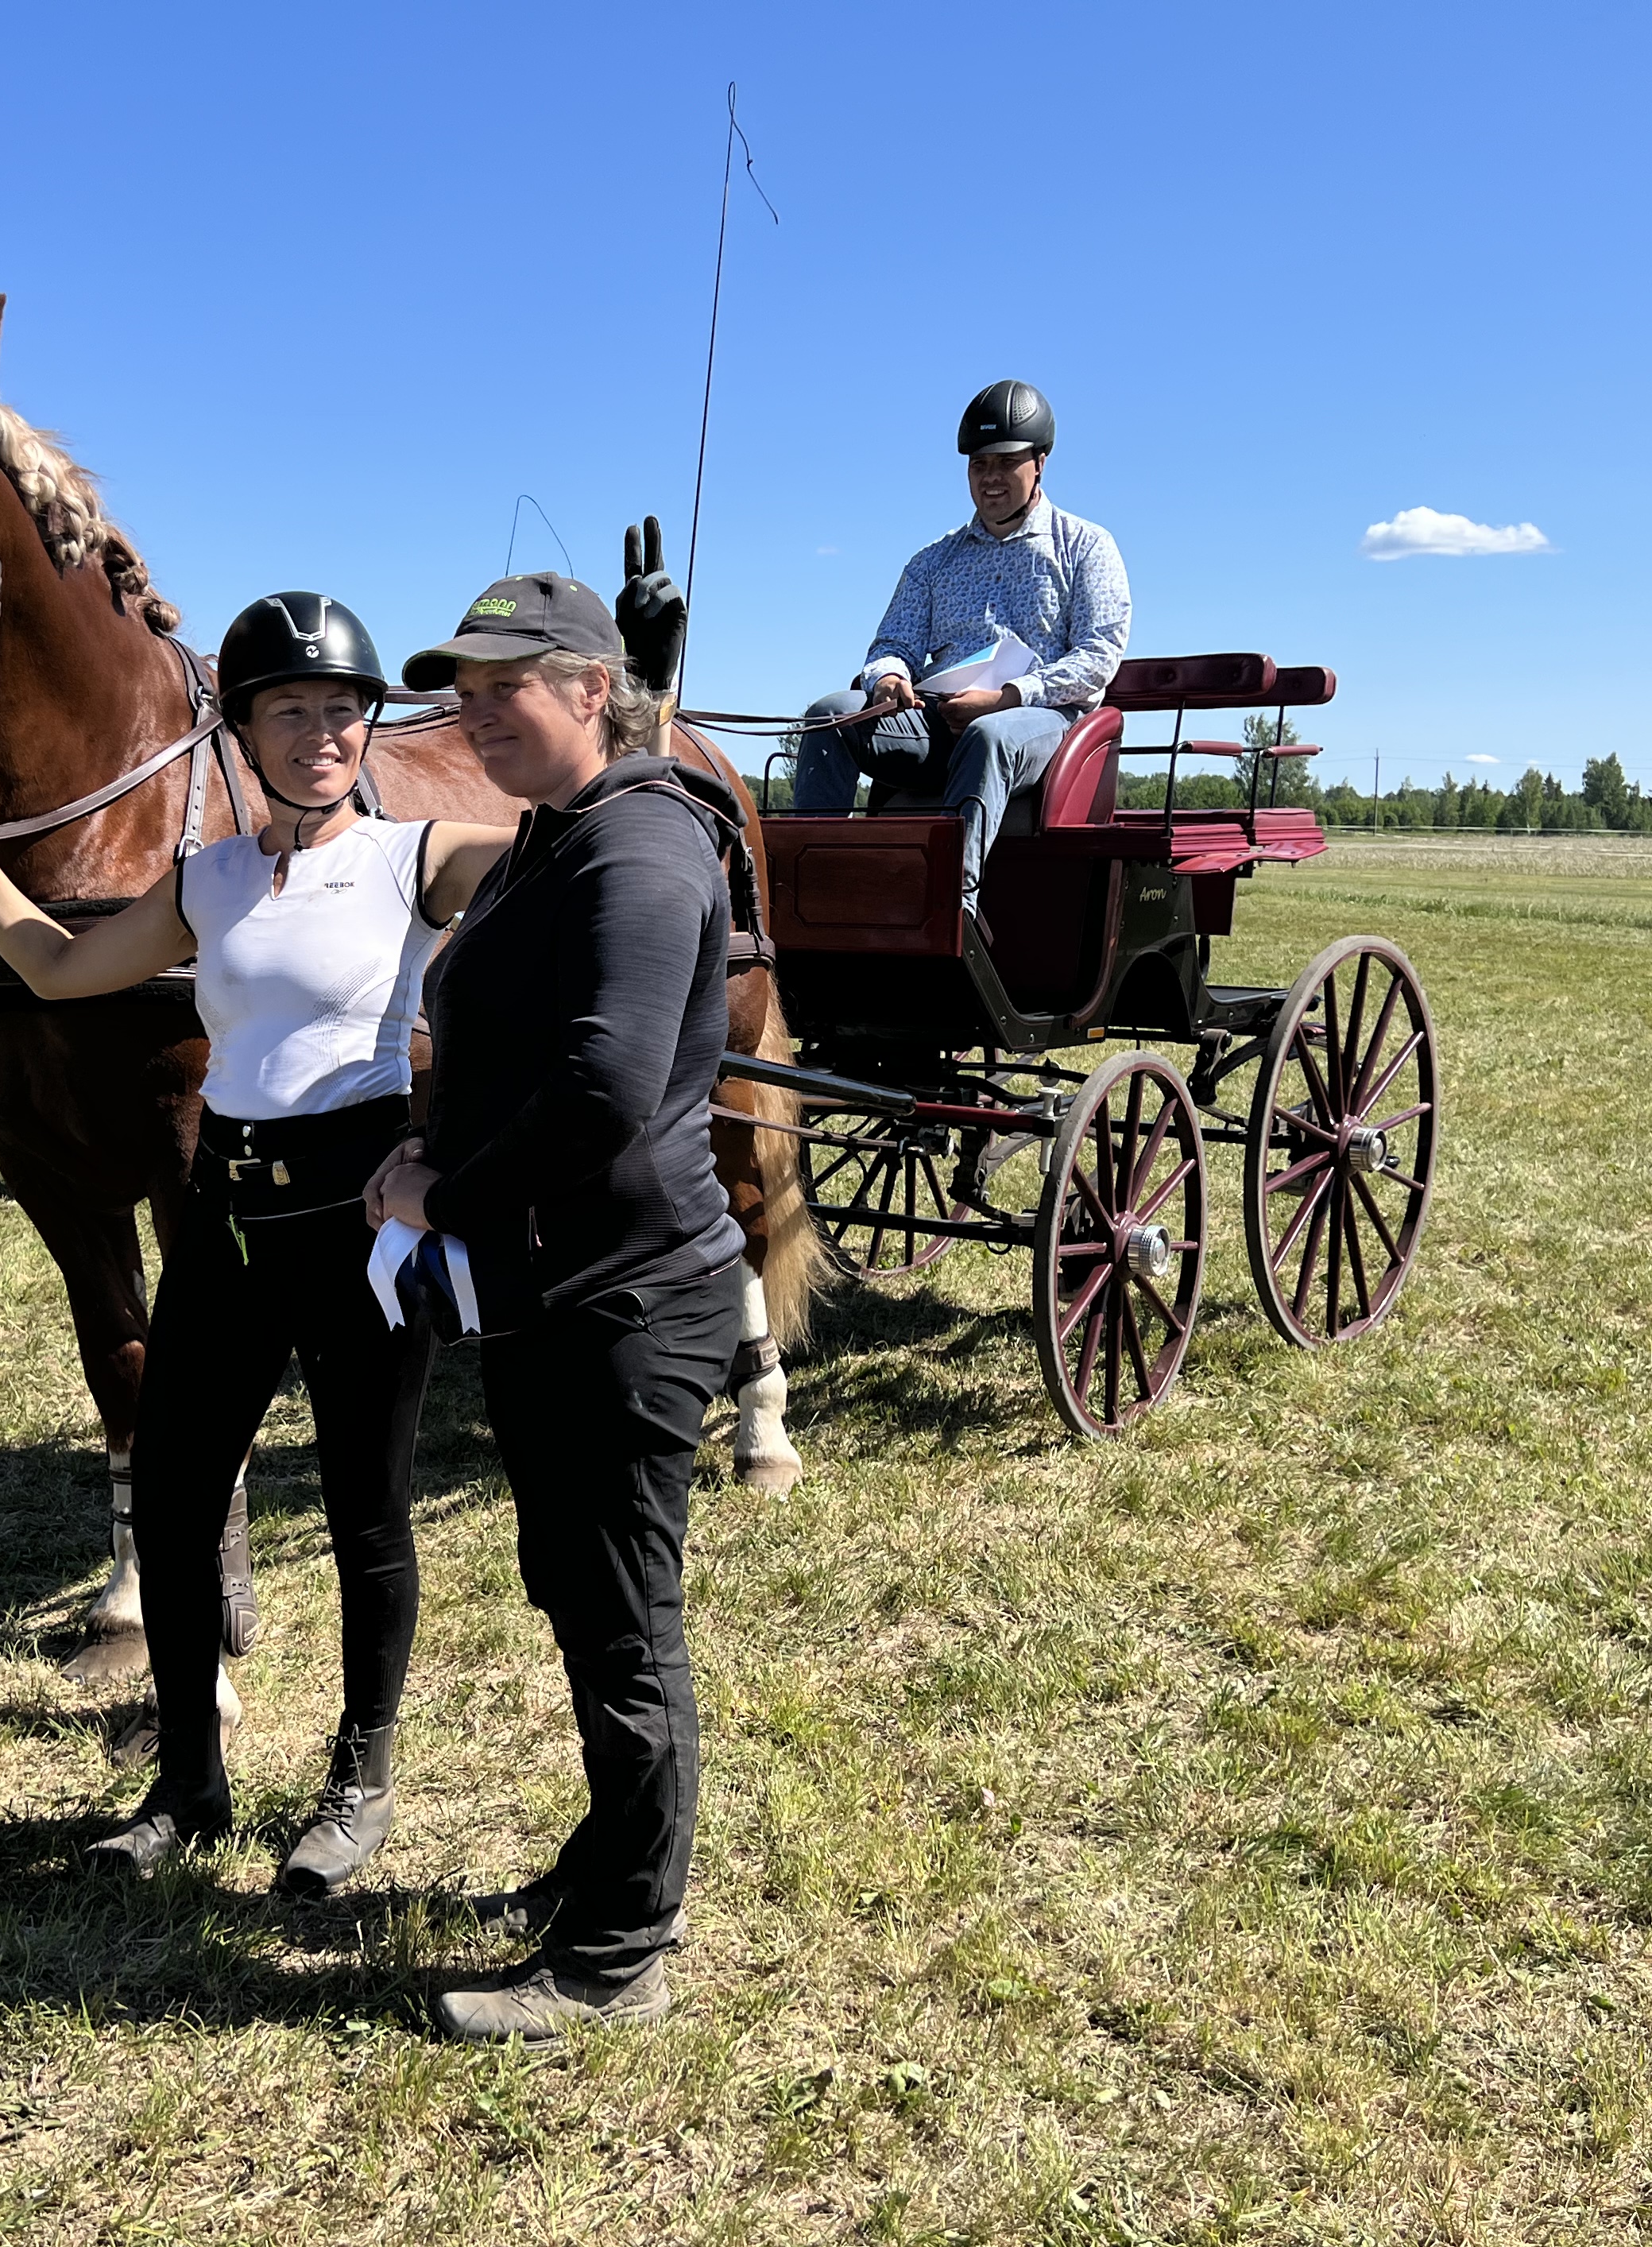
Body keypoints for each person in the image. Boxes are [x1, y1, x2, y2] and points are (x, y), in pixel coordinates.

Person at [0, 592, 517, 1892]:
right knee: (180, 1500)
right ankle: (187, 1781)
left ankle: (357, 1778)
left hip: (356, 1218)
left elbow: (564, 841)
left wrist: (617, 741)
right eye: (291, 709)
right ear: (243, 730)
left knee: (367, 1510)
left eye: (342, 709)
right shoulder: (205, 880)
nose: (322, 732)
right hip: (227, 1217)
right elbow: (51, 965)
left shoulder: (420, 855)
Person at [364, 564, 742, 2047]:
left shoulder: (640, 851)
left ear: (593, 687)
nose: (472, 715)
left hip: (627, 1298)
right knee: (578, 1596)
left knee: (623, 1619)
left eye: (500, 688)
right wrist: (433, 1144)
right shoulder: (552, 837)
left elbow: (601, 1086)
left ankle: (621, 1950)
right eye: (458, 694)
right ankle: (603, 1864)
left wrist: (439, 1197)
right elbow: (517, 1050)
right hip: (554, 1284)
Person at [790, 379, 1132, 889]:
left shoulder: (1085, 547)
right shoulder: (933, 562)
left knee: (988, 735)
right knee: (830, 715)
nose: (990, 477)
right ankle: (809, 885)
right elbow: (891, 645)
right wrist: (888, 678)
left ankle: (953, 904)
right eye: (978, 464)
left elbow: (1099, 654)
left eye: (1005, 462)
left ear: (1040, 462)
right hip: (935, 721)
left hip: (1039, 726)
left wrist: (1007, 698)